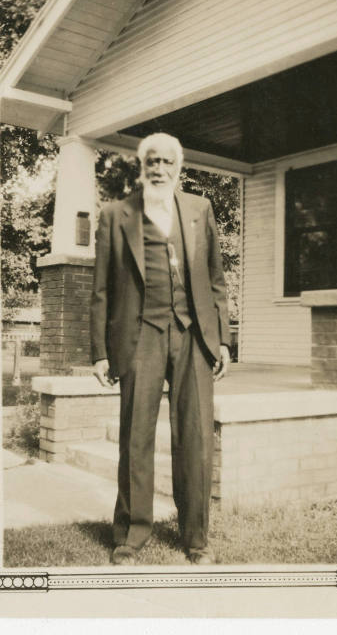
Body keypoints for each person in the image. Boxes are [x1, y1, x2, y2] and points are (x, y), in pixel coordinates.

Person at [90, 132, 231, 566]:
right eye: (152, 161)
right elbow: (100, 290)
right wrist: (100, 351)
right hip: (139, 336)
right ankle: (131, 535)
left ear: (178, 167)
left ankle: (196, 539)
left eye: (167, 162)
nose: (159, 168)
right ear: (141, 165)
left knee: (195, 437)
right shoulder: (116, 215)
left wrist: (223, 339)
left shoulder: (199, 209)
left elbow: (216, 280)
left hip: (194, 337)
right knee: (136, 438)